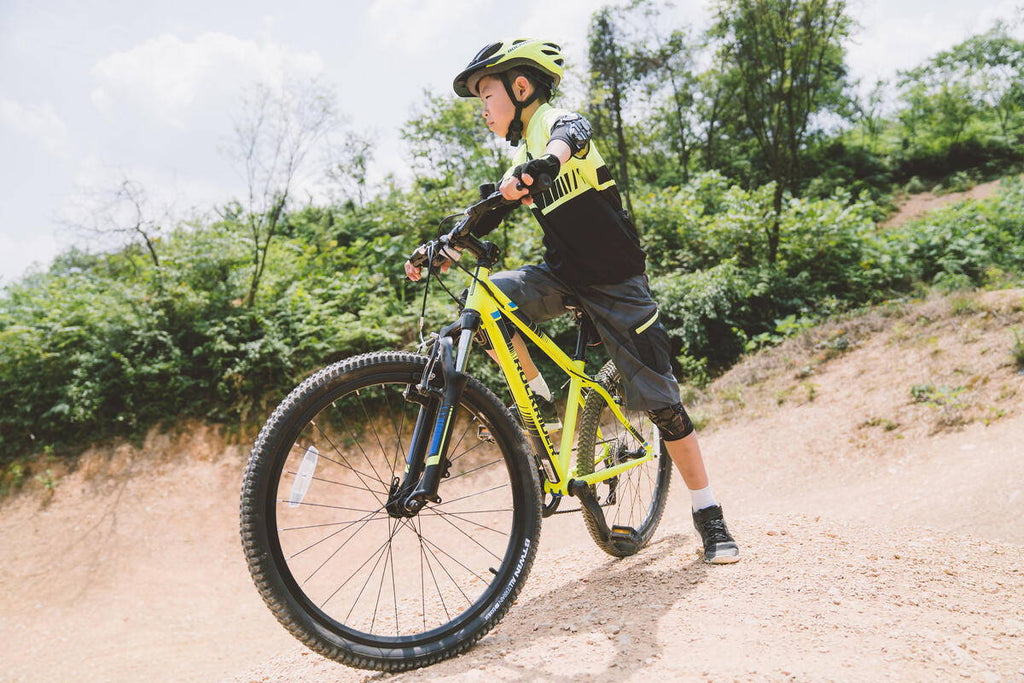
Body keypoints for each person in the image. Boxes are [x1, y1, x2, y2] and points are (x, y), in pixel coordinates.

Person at [405, 38, 739, 564]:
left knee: (663, 404)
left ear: (521, 88)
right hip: (560, 276)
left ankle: (708, 512)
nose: (483, 111)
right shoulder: (520, 158)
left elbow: (571, 136)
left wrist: (545, 165)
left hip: (616, 281)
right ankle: (539, 403)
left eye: (486, 96)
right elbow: (489, 210)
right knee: (488, 302)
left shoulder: (554, 125)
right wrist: (443, 247)